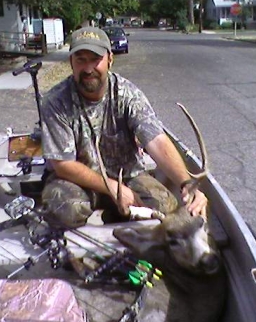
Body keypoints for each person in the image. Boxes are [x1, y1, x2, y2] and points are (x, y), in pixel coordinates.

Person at [40, 26, 207, 229]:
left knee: (165, 205)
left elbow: (156, 140)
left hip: (128, 177)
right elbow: (62, 164)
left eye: (95, 59)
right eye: (81, 59)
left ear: (110, 59)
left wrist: (186, 183)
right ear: (71, 63)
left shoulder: (128, 95)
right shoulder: (55, 101)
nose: (88, 68)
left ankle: (117, 219)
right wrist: (110, 185)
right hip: (78, 183)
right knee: (64, 209)